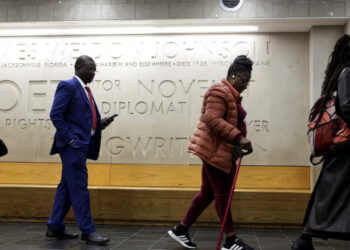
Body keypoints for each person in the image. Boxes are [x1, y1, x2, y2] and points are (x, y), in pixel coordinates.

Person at [168, 55, 254, 250]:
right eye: (244, 79)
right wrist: (239, 138)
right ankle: (230, 240)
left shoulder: (231, 95)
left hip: (222, 151)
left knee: (208, 192)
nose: (246, 84)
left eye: (249, 81)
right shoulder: (218, 91)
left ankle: (181, 230)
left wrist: (239, 144)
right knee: (222, 194)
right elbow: (212, 119)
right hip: (214, 152)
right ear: (234, 75)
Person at [47, 55, 115, 245]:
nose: (93, 73)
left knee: (67, 186)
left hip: (79, 145)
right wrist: (71, 140)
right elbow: (56, 114)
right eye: (89, 69)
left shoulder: (86, 90)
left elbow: (80, 120)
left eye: (95, 69)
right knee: (79, 187)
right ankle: (88, 231)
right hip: (72, 147)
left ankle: (54, 226)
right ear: (78, 68)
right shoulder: (68, 86)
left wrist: (99, 124)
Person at [292, 35, 350, 250]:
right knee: (330, 190)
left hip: (342, 145)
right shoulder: (348, 71)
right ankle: (304, 238)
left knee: (330, 190)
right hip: (345, 146)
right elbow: (347, 106)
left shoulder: (341, 72)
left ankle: (304, 239)